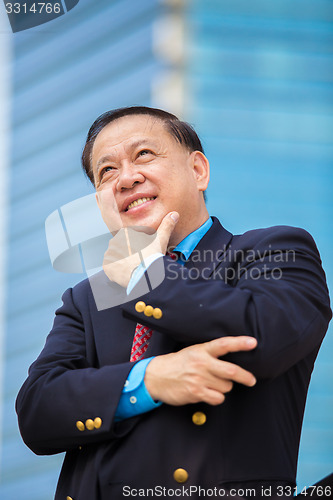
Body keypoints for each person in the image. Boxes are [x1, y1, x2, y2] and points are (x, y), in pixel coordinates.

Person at [16, 106, 331, 499]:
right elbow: (37, 411)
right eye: (106, 172)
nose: (126, 178)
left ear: (198, 171)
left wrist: (145, 277)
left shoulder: (275, 250)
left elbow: (263, 339)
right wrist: (150, 380)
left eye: (144, 155)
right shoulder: (87, 298)